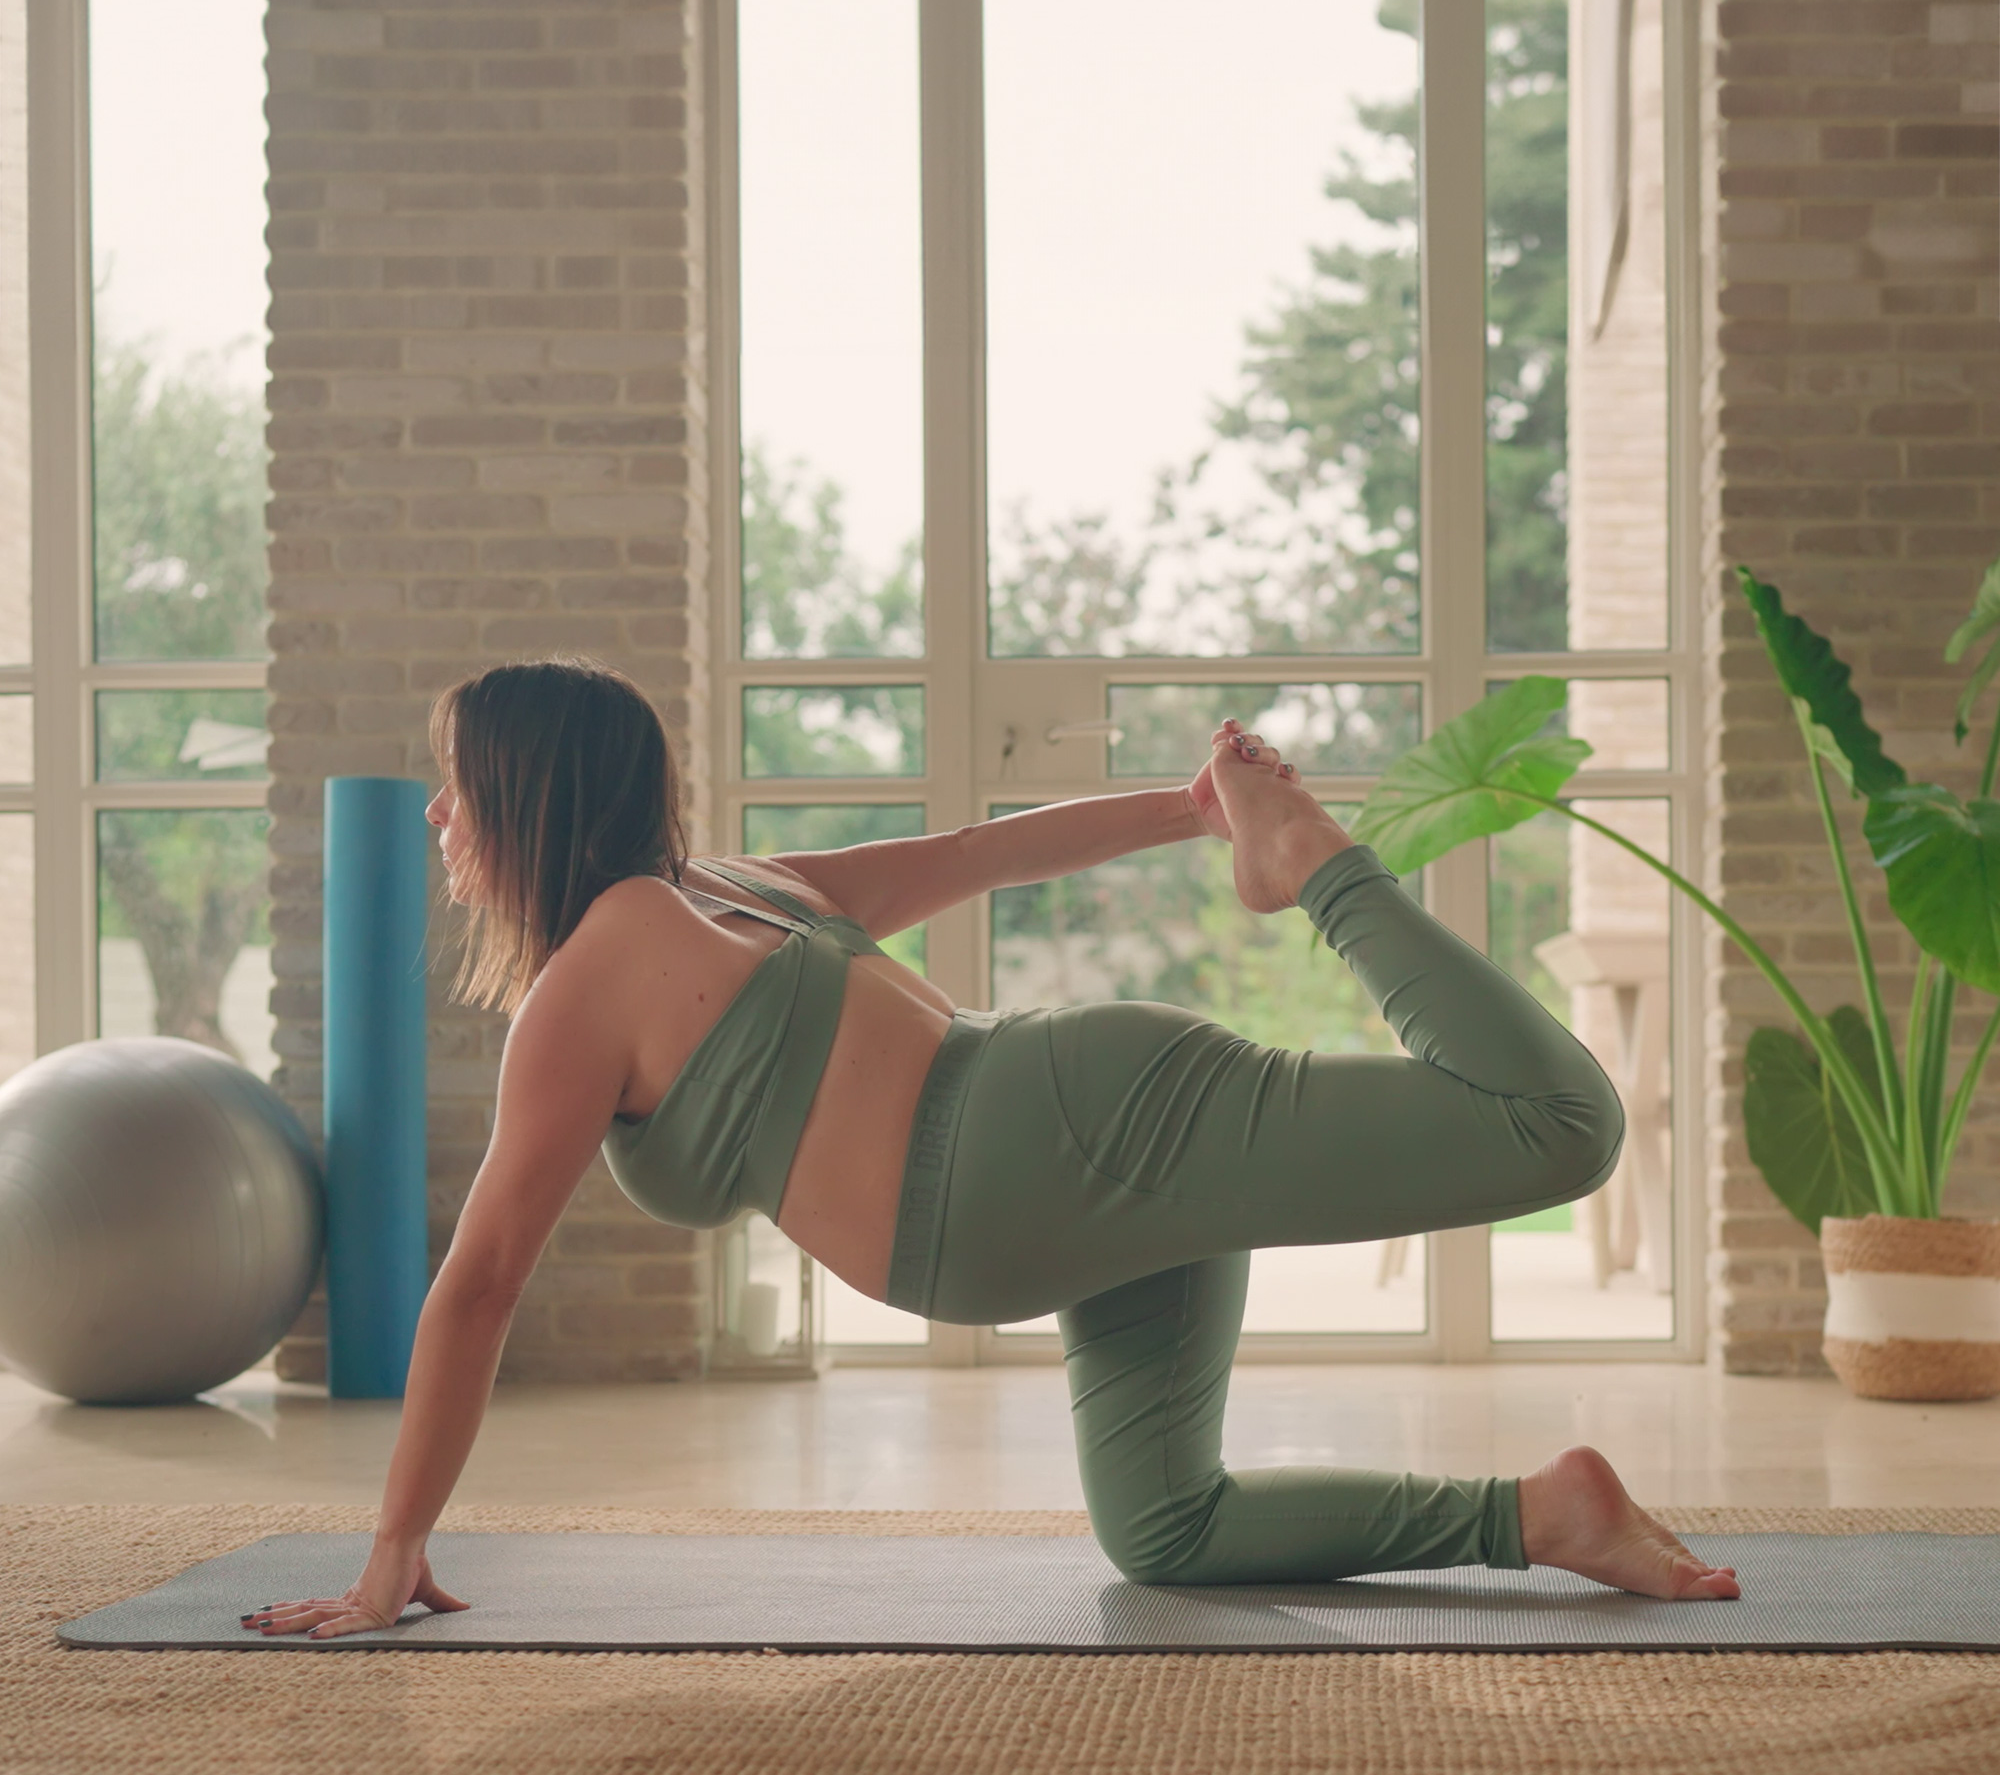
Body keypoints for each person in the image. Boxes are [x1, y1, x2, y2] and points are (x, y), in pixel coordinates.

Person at [244, 659, 1738, 1641]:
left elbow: (482, 1279)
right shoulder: (730, 889)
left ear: (529, 799)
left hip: (1068, 1133)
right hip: (1068, 1181)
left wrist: (392, 1550)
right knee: (1166, 1527)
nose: (439, 813)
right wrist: (1172, 809)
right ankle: (1549, 1514)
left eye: (458, 782)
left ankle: (1323, 872)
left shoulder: (599, 971)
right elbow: (977, 855)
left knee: (1560, 1126)